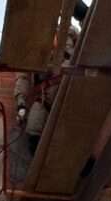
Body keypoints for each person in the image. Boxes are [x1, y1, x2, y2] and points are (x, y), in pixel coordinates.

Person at [14, 24, 79, 154]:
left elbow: (85, 44)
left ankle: (82, 162)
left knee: (74, 134)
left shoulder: (69, 30)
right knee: (33, 131)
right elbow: (23, 78)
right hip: (45, 97)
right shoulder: (31, 47)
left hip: (68, 87)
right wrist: (21, 103)